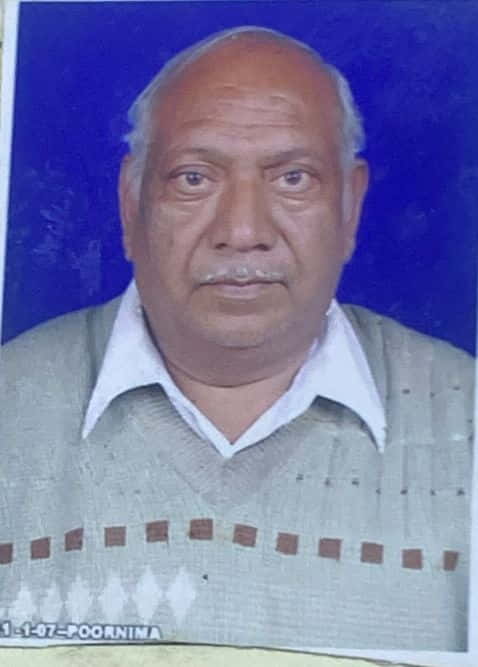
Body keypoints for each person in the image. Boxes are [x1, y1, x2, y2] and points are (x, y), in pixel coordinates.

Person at [0, 26, 473, 650]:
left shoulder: (466, 419)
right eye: (194, 178)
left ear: (351, 207)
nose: (243, 231)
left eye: (294, 178)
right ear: (130, 204)